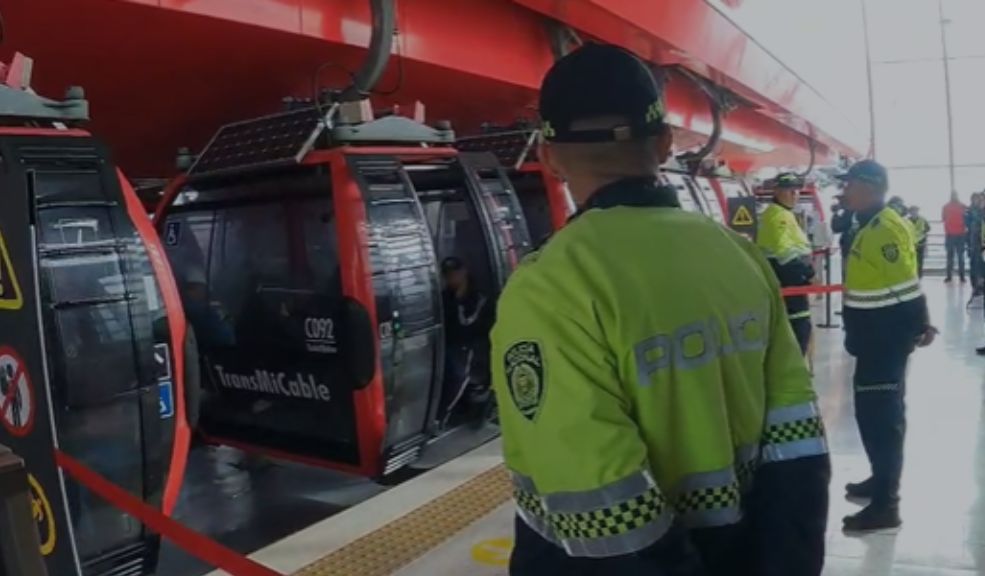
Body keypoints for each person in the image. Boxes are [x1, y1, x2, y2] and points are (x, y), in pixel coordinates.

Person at [491, 43, 830, 576]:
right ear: (667, 143)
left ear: (549, 157)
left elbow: (604, 504)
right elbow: (797, 432)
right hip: (745, 550)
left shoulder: (550, 286)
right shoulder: (738, 256)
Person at [839, 160, 936, 532]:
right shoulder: (867, 224)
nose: (845, 190)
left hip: (884, 341)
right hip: (871, 338)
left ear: (870, 186)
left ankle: (886, 503)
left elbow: (907, 283)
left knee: (883, 421)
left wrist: (920, 323)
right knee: (870, 416)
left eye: (850, 184)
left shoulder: (885, 229)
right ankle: (879, 480)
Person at [756, 172, 816, 354]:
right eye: (789, 190)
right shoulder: (778, 216)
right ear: (777, 191)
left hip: (792, 283)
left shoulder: (783, 214)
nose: (794, 195)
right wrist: (809, 275)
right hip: (789, 284)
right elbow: (785, 255)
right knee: (798, 332)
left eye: (797, 191)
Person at [440, 257, 494, 423]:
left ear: (463, 272)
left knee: (458, 374)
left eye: (455, 274)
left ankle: (442, 416)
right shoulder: (444, 296)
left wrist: (460, 301)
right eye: (448, 275)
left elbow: (468, 323)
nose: (452, 279)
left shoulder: (478, 296)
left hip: (472, 344)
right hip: (447, 343)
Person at [831, 194, 857, 282]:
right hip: (857, 249)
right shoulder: (861, 210)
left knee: (848, 278)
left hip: (849, 250)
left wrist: (835, 212)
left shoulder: (849, 212)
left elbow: (836, 227)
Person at [942, 191, 967, 282]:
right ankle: (949, 276)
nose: (954, 197)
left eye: (955, 195)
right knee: (950, 257)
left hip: (961, 235)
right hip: (950, 235)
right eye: (953, 195)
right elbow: (943, 218)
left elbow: (967, 219)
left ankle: (962, 276)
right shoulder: (945, 207)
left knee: (961, 257)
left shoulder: (963, 206)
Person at [908, 206, 930, 278]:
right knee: (911, 259)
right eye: (912, 211)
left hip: (921, 242)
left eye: (915, 211)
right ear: (910, 212)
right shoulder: (907, 220)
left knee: (920, 260)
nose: (914, 213)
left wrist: (923, 232)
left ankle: (919, 275)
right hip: (911, 243)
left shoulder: (922, 219)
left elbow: (928, 228)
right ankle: (913, 274)